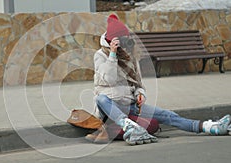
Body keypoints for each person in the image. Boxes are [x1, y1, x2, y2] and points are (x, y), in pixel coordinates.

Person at [86, 14, 231, 145]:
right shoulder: (101, 55)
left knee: (167, 115)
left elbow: (138, 83)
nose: (125, 44)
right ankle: (129, 127)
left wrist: (139, 94)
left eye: (126, 40)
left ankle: (210, 127)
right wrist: (112, 55)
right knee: (101, 99)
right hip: (110, 107)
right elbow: (109, 80)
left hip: (130, 106)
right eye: (121, 41)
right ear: (112, 41)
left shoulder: (129, 56)